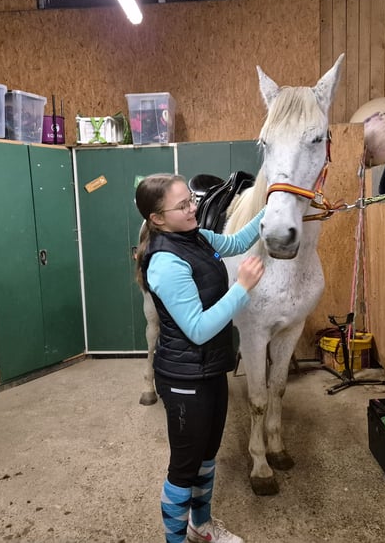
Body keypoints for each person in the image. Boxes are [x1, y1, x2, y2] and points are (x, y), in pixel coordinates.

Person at [135, 173, 265, 543]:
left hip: (210, 370)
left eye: (190, 200)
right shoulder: (164, 263)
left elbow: (237, 241)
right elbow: (197, 328)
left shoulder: (197, 237)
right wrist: (242, 288)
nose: (194, 208)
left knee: (208, 458)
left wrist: (271, 207)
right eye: (183, 206)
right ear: (157, 219)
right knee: (184, 468)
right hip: (183, 379)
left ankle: (200, 527)